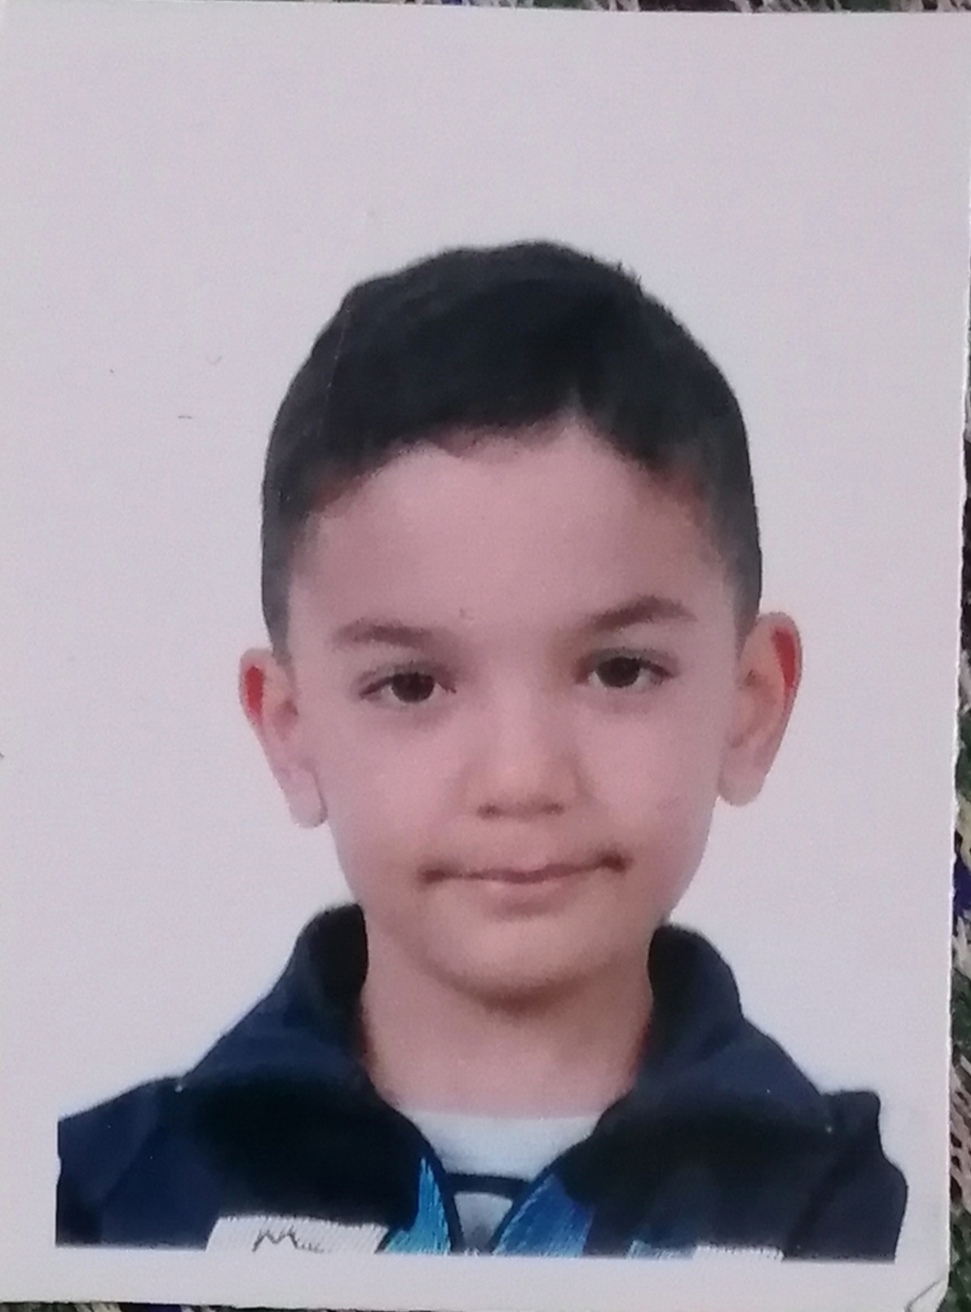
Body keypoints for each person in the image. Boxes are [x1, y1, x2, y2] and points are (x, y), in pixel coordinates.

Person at [57, 241, 907, 1259]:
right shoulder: (98, 1203)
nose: (521, 777)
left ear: (749, 704)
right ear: (290, 729)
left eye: (618, 670)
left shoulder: (873, 1221)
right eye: (411, 685)